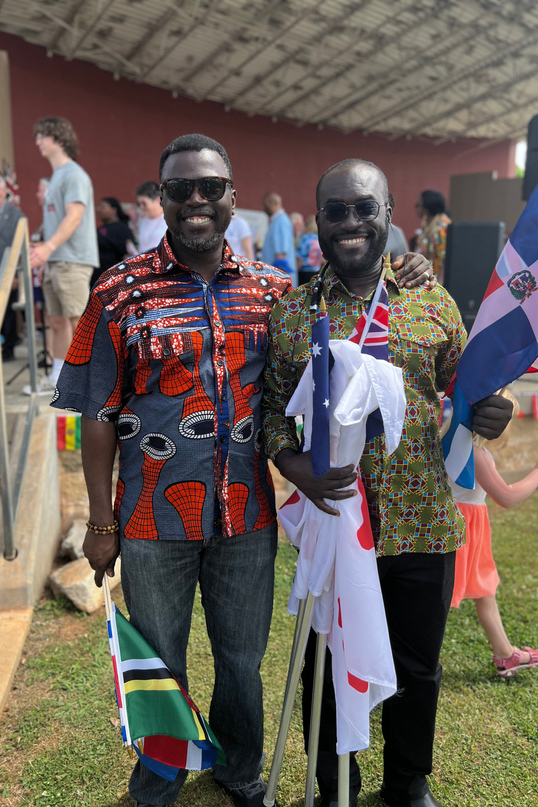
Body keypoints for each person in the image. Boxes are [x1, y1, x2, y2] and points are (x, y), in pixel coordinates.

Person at [51, 136, 432, 807]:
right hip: (148, 518)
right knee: (160, 659)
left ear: (233, 198)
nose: (196, 200)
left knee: (240, 663)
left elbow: (349, 298)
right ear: (162, 199)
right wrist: (101, 519)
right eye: (180, 189)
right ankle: (159, 776)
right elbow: (98, 412)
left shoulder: (274, 293)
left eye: (211, 188)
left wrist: (410, 270)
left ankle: (238, 767)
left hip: (246, 517)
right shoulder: (118, 289)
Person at [262, 157, 513, 807]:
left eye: (363, 207)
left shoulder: (431, 301)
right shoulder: (293, 313)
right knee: (323, 669)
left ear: (389, 211)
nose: (349, 221)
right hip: (338, 526)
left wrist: (496, 410)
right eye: (335, 209)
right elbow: (271, 413)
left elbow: (471, 390)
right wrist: (297, 469)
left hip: (423, 520)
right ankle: (333, 786)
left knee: (417, 667)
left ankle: (407, 783)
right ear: (317, 220)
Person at [449, 393, 538, 677]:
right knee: (446, 596)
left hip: (467, 524)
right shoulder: (478, 455)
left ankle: (505, 654)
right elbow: (507, 497)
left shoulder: (454, 443)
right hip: (464, 527)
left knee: (485, 591)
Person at [26, 116, 99, 395]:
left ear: (58, 138)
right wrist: (46, 250)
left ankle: (84, 383)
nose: (38, 142)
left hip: (73, 259)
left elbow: (75, 215)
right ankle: (59, 378)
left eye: (42, 136)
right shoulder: (57, 177)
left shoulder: (73, 174)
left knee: (76, 320)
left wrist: (47, 247)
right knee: (56, 321)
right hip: (57, 259)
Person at [0, 176, 24, 361]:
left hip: (8, 271)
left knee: (7, 312)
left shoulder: (15, 214)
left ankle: (8, 349)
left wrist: (17, 274)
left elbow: (21, 246)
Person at [93, 197, 136, 286]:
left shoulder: (122, 229)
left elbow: (128, 252)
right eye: (99, 207)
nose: (99, 210)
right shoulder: (99, 229)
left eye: (103, 207)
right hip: (96, 277)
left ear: (113, 210)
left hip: (112, 278)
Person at [414, 190, 451, 285]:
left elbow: (443, 260)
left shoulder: (442, 228)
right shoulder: (427, 223)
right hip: (425, 276)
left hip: (435, 281)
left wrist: (441, 285)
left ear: (428, 207)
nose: (417, 207)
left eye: (420, 204)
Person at [261, 192, 297, 285]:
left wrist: (278, 282)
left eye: (265, 205)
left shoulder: (281, 221)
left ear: (272, 203)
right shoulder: (278, 220)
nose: (264, 208)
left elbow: (281, 254)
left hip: (278, 280)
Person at [136, 180, 168, 253]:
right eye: (139, 204)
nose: (141, 207)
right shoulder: (143, 220)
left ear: (157, 200)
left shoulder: (168, 219)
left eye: (144, 203)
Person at [296, 214, 323, 285]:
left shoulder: (305, 238)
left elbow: (300, 257)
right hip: (317, 271)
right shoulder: (320, 239)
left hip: (304, 272)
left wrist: (295, 271)